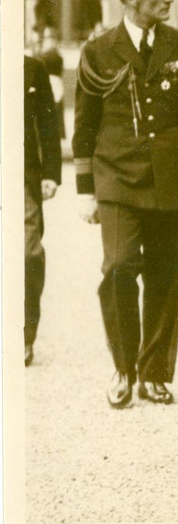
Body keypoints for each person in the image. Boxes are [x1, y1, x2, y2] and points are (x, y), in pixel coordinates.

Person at [73, 0, 178, 407]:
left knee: (167, 275)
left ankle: (153, 372)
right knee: (119, 266)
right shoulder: (98, 50)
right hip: (117, 179)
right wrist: (86, 190)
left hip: (170, 179)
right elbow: (85, 127)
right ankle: (123, 365)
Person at [24, 54, 62, 367]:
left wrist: (50, 172)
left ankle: (24, 333)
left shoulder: (32, 68)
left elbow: (49, 121)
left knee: (28, 253)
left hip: (21, 178)